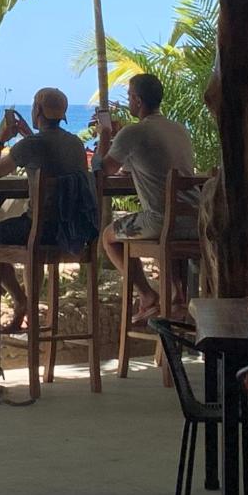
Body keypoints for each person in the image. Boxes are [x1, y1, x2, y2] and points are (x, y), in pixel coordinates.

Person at [0, 87, 89, 333]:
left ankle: (21, 301)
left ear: (37, 111)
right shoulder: (76, 144)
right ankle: (28, 305)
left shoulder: (30, 145)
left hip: (41, 231)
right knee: (30, 239)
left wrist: (0, 140)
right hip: (71, 233)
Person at [93, 73, 195, 324]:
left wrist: (105, 134)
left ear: (137, 100)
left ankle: (148, 295)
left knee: (108, 237)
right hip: (194, 219)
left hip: (162, 221)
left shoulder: (134, 132)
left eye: (129, 96)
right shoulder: (179, 129)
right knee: (161, 231)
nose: (128, 100)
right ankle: (177, 299)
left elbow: (102, 170)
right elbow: (139, 163)